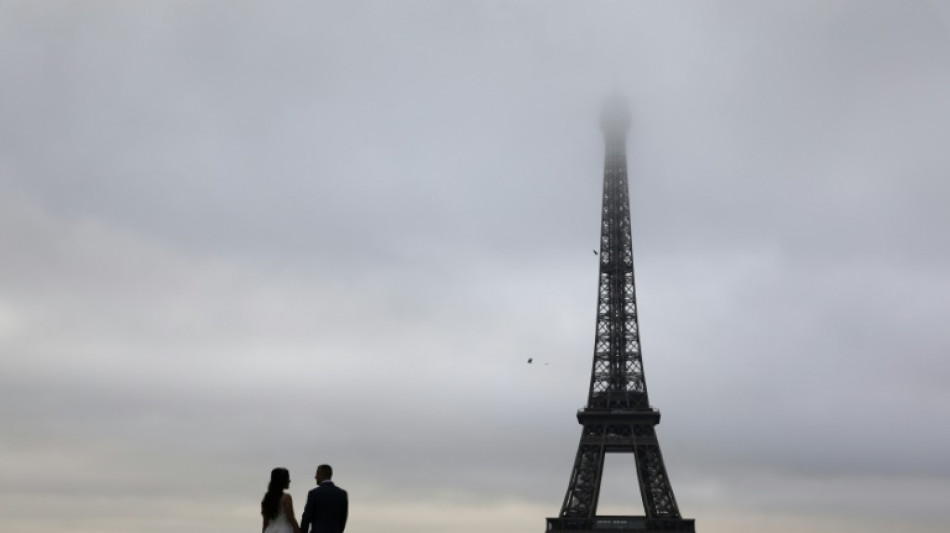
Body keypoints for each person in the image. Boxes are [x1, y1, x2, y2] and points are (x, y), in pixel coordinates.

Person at [300, 464, 348, 533]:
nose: (315, 477)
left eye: (316, 474)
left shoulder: (314, 493)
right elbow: (343, 518)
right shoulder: (342, 494)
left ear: (321, 473)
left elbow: (306, 517)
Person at [261, 467, 302, 533]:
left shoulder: (266, 499)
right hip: (284, 530)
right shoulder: (286, 497)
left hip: (269, 530)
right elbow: (291, 519)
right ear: (282, 481)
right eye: (287, 478)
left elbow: (265, 522)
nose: (289, 480)